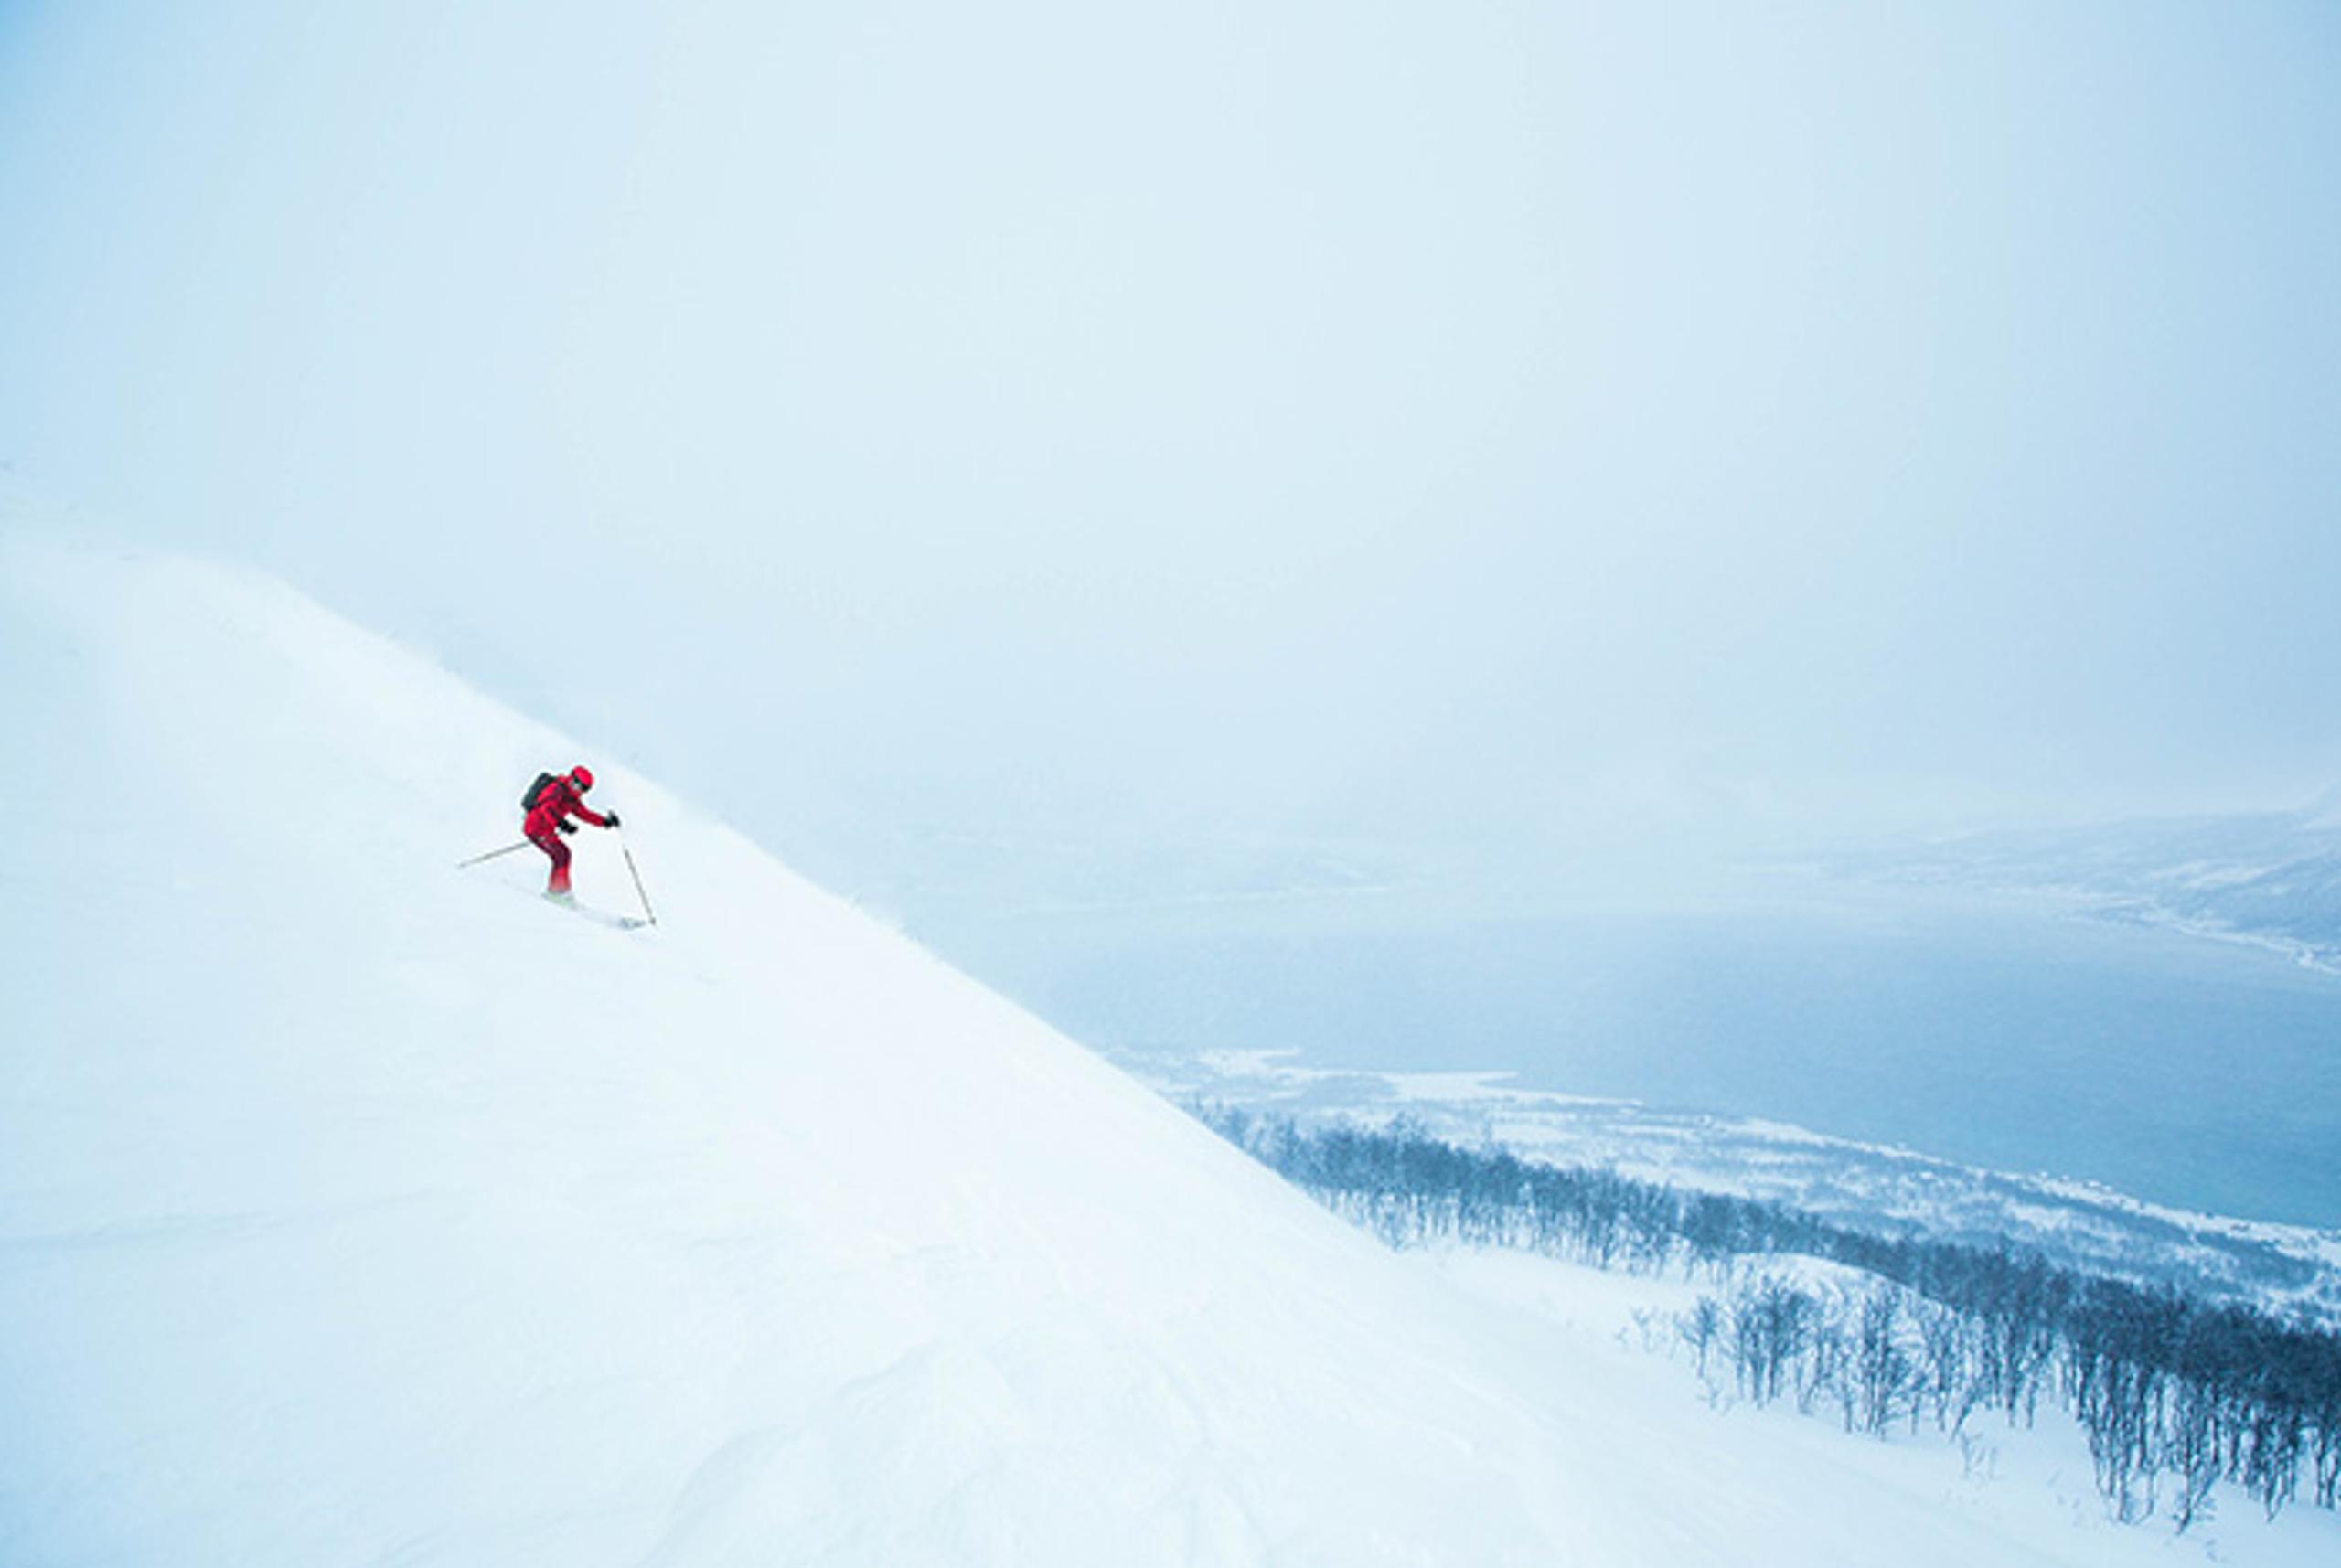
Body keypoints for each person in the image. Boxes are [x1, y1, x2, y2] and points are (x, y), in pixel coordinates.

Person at [524, 765, 620, 901]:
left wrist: (605, 822)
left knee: (562, 855)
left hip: (546, 831)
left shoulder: (572, 799)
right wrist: (562, 824)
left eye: (582, 788)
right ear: (571, 778)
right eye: (575, 783)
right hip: (535, 828)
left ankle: (559, 892)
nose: (577, 789)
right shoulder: (557, 789)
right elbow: (547, 808)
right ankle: (557, 894)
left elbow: (584, 814)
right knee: (561, 855)